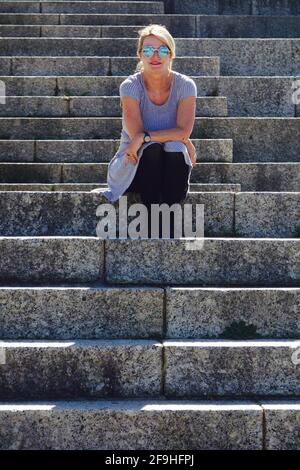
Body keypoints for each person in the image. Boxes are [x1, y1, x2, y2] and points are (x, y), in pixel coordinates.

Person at [91, 24, 197, 238]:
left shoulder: (186, 85)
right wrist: (161, 137)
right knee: (152, 149)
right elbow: (137, 134)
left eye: (162, 50)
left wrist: (149, 136)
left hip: (169, 167)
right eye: (148, 50)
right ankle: (151, 217)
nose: (155, 56)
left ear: (171, 54)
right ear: (140, 55)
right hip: (135, 163)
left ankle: (167, 218)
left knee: (175, 147)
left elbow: (182, 132)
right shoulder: (129, 86)